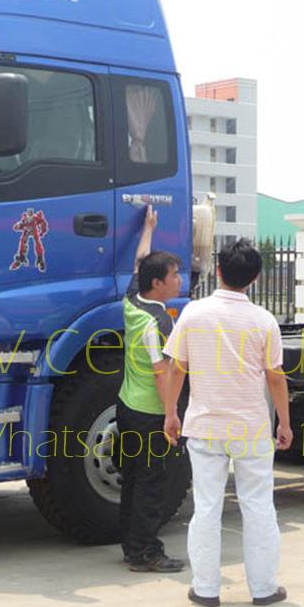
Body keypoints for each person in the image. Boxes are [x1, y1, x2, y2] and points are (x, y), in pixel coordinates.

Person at [162, 239, 293, 607]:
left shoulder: (193, 314)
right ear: (255, 277)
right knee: (258, 506)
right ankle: (264, 588)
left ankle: (205, 589)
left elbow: (177, 367)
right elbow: (276, 377)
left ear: (218, 269)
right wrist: (284, 422)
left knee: (206, 507)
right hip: (250, 428)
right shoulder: (264, 321)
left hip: (204, 426)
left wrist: (171, 413)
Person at [116, 205, 185, 573]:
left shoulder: (133, 300)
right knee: (152, 483)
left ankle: (131, 545)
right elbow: (163, 372)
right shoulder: (157, 319)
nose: (179, 280)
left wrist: (148, 228)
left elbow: (139, 261)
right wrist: (172, 415)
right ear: (157, 283)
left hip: (127, 406)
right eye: (174, 275)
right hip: (150, 413)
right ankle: (146, 552)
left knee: (133, 479)